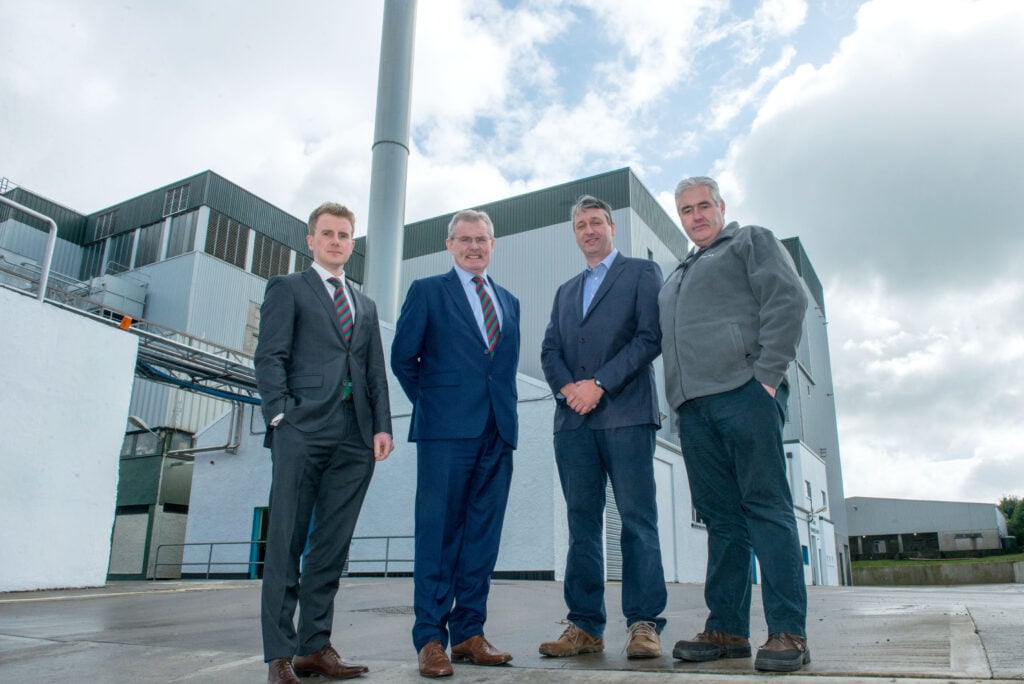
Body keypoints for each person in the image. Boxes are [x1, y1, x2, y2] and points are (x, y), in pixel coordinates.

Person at [659, 176, 810, 673]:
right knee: (722, 520)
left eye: (704, 206)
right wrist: (678, 402)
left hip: (744, 394)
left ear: (721, 207)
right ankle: (728, 628)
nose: (696, 216)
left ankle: (789, 631)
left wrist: (765, 378)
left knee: (766, 508)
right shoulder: (677, 272)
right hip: (695, 409)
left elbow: (788, 300)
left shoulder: (750, 241)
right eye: (686, 210)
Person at [254, 202, 394, 684]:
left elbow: (374, 370)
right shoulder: (288, 288)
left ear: (352, 245)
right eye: (327, 233)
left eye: (344, 235)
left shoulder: (366, 304)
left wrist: (382, 426)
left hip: (355, 437)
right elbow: (270, 355)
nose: (336, 241)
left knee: (330, 547)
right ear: (310, 240)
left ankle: (315, 647)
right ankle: (279, 655)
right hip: (301, 430)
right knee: (287, 542)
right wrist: (280, 415)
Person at [391, 209, 521, 678]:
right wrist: (437, 407)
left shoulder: (509, 300)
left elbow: (499, 369)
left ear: (492, 243)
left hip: (497, 432)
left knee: (482, 538)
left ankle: (469, 633)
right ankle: (430, 637)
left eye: (482, 238)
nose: (474, 246)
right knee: (438, 535)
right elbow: (403, 358)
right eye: (465, 239)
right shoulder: (428, 291)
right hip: (446, 434)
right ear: (449, 245)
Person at [538, 195, 667, 660]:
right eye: (580, 225)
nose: (588, 230)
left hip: (626, 414)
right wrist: (570, 390)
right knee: (582, 525)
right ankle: (584, 625)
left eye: (596, 222)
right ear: (574, 233)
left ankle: (644, 623)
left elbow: (649, 338)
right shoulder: (566, 291)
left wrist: (599, 384)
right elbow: (550, 349)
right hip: (573, 423)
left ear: (612, 227)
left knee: (636, 521)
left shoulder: (639, 274)